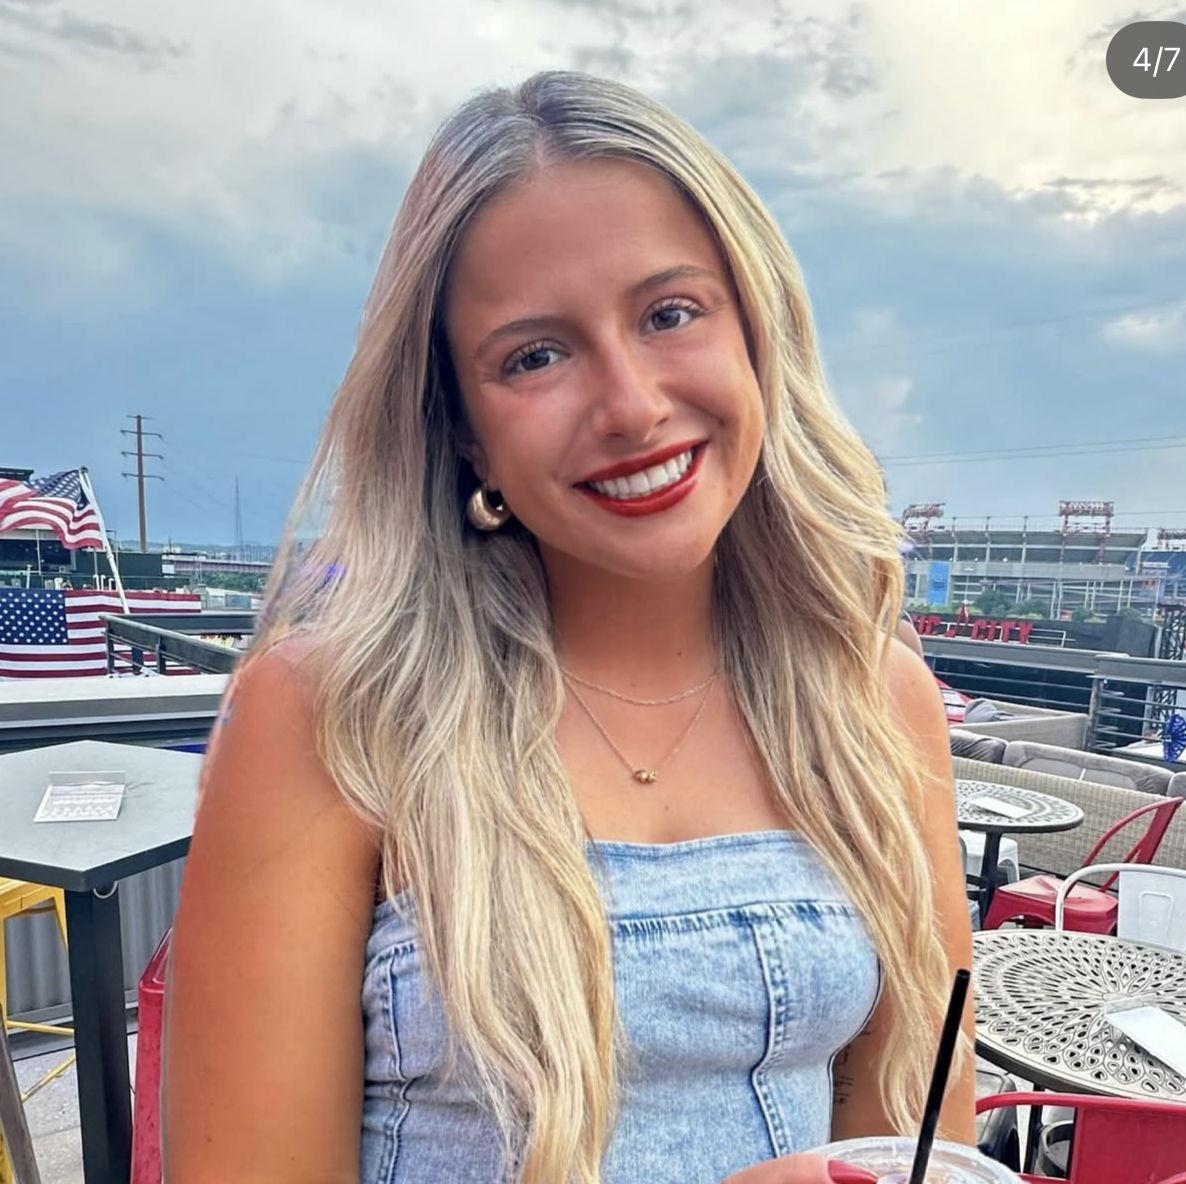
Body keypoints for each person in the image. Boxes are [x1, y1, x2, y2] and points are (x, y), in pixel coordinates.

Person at [162, 70, 975, 1184]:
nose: (632, 404)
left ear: (758, 331)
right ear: (463, 432)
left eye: (670, 313)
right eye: (534, 355)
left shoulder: (873, 698)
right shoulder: (326, 718)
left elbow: (917, 1135)